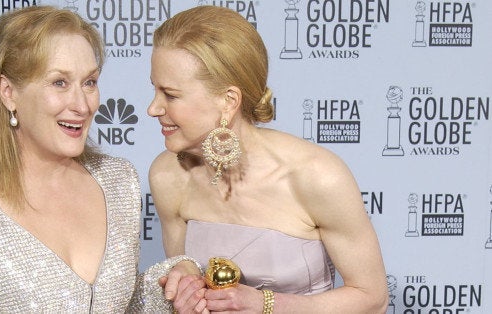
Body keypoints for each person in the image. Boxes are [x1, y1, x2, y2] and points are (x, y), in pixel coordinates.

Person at [0, 6, 195, 313]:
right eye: (59, 83)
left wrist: (175, 278)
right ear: (8, 92)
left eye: (89, 82)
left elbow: (121, 303)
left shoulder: (118, 183)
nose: (82, 105)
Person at [147, 6, 389, 314]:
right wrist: (186, 275)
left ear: (228, 101)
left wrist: (267, 305)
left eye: (170, 94)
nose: (153, 108)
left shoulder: (317, 176)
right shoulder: (168, 175)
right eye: (154, 89)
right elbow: (184, 269)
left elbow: (373, 299)